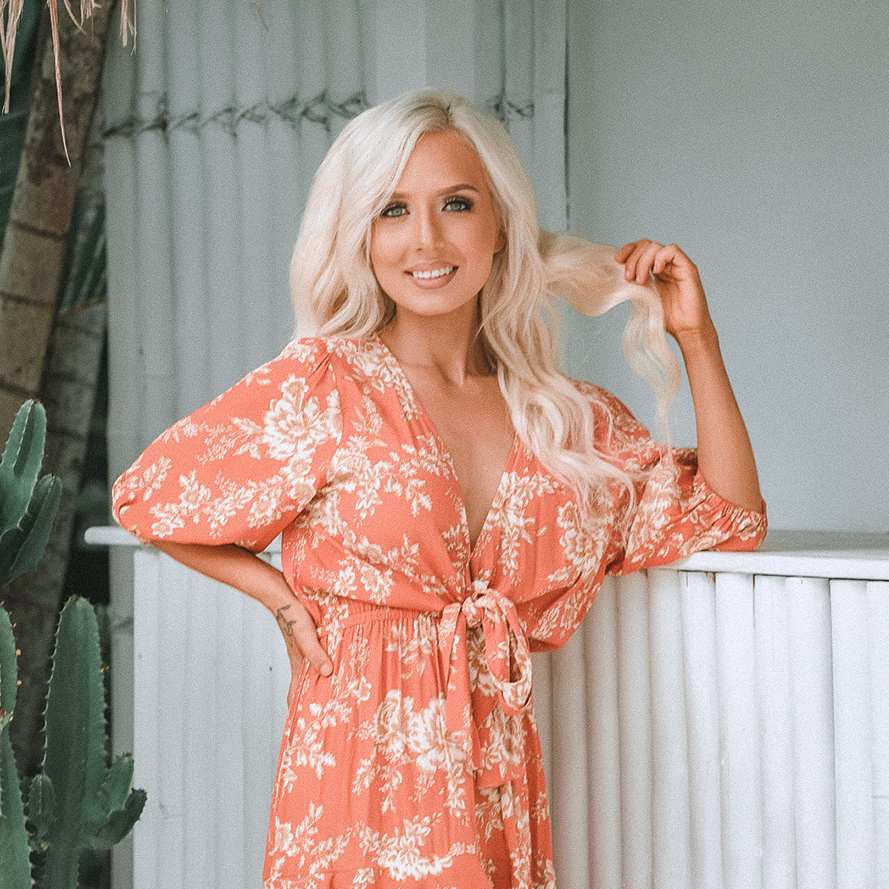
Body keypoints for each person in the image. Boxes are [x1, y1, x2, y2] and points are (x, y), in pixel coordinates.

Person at [112, 89, 765, 889]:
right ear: (360, 234)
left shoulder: (563, 418)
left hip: (494, 788)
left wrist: (695, 338)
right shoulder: (328, 382)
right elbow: (148, 494)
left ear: (499, 225)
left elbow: (730, 517)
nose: (425, 239)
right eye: (392, 210)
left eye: (455, 204)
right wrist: (278, 596)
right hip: (353, 779)